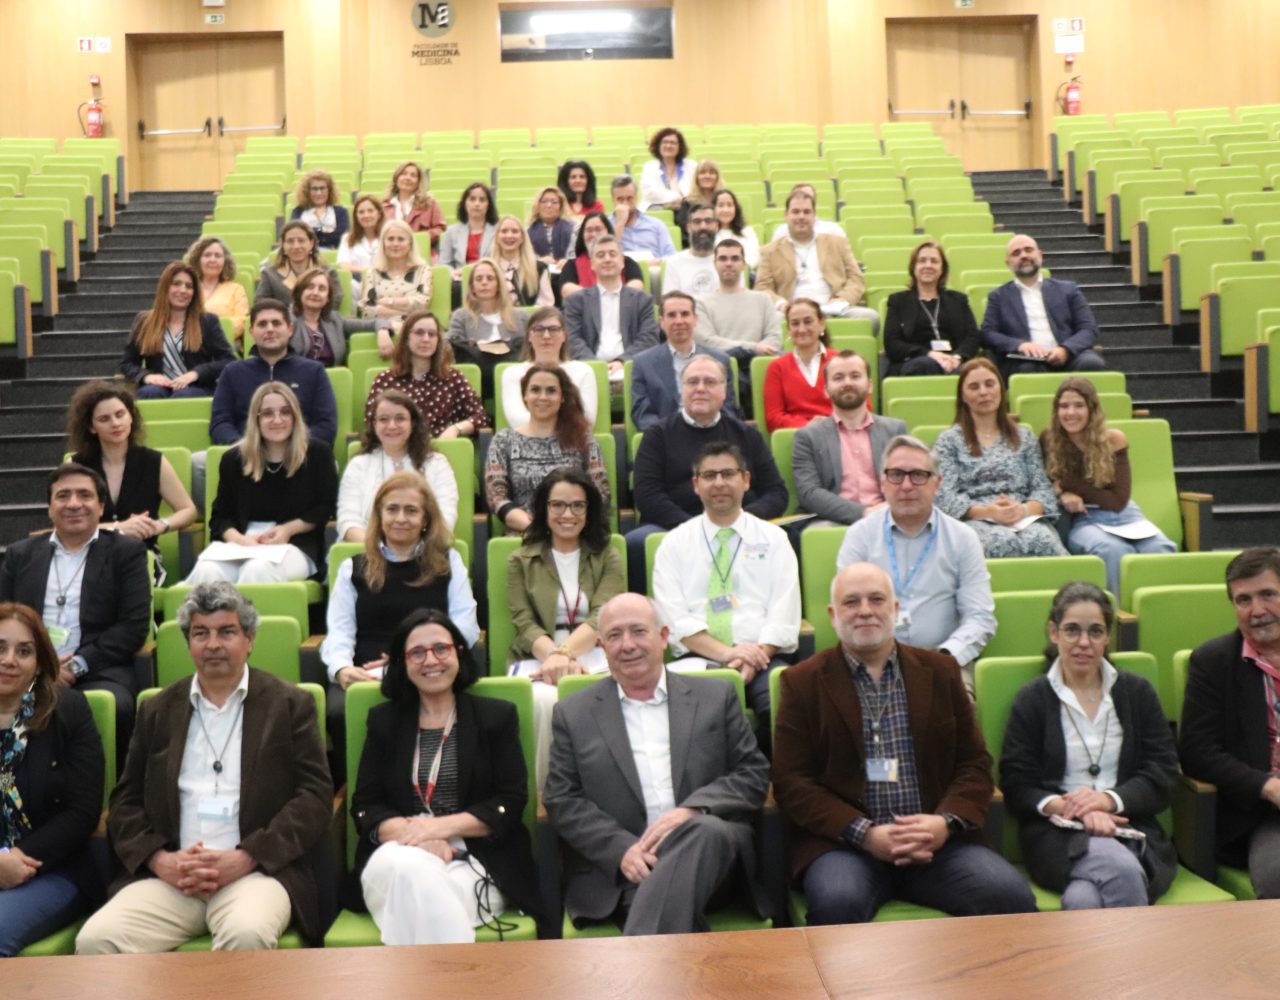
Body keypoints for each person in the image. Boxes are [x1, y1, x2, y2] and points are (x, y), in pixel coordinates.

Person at [772, 562, 1037, 924]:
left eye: (877, 599)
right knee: (837, 902)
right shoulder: (802, 682)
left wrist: (944, 823)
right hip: (846, 846)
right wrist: (865, 834)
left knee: (1009, 895)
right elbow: (792, 782)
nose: (865, 610)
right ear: (833, 615)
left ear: (895, 609)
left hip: (937, 845)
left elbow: (974, 764)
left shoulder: (940, 672)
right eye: (851, 602)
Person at [75, 582, 332, 953]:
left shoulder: (289, 704)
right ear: (188, 643)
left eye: (226, 632)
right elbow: (126, 803)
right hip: (172, 877)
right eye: (201, 634)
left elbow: (314, 798)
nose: (213, 644)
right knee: (96, 940)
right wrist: (159, 860)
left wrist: (247, 856)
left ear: (249, 639)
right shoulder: (157, 709)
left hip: (256, 873)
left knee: (247, 934)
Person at [544, 593, 770, 935]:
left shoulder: (715, 697)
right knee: (662, 902)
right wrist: (622, 850)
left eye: (638, 631)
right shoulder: (574, 714)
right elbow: (563, 799)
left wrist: (693, 811)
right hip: (627, 870)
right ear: (602, 647)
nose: (627, 645)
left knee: (705, 831)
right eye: (615, 636)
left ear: (663, 636)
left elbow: (752, 775)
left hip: (714, 863)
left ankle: (639, 959)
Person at [350, 608, 545, 944]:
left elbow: (510, 802)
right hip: (397, 852)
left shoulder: (495, 717)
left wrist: (437, 828)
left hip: (478, 859)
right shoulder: (384, 722)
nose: (431, 660)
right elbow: (366, 806)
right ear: (402, 663)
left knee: (418, 895)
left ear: (459, 652)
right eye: (417, 652)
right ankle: (461, 975)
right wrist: (418, 837)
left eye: (441, 648)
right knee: (412, 870)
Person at [1001, 583, 1179, 908]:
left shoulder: (1136, 692)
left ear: (1108, 637)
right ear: (1053, 633)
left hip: (1131, 824)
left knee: (1083, 899)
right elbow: (1017, 783)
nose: (1084, 642)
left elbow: (1162, 773)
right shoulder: (1033, 699)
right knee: (1122, 870)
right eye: (1072, 630)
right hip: (1057, 834)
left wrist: (1107, 801)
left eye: (1095, 631)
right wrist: (1074, 809)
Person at [322, 473, 478, 779]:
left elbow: (466, 627)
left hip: (434, 663)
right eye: (392, 509)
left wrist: (406, 660)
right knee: (338, 711)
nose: (401, 518)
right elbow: (339, 630)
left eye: (411, 510)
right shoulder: (353, 567)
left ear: (425, 519)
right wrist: (341, 669)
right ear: (379, 516)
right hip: (366, 672)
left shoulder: (448, 562)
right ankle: (357, 790)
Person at [0, 463, 150, 761]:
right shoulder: (21, 554)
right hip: (23, 665)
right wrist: (39, 666)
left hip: (97, 669)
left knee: (119, 706)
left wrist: (76, 665)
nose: (73, 504)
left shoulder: (126, 552)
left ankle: (113, 788)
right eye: (63, 495)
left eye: (84, 495)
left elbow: (133, 626)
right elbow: (4, 617)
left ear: (101, 506)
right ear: (49, 507)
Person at [651, 442, 801, 737]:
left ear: (745, 480)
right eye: (709, 475)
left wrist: (754, 657)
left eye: (728, 474)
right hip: (698, 658)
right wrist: (727, 654)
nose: (719, 483)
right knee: (694, 722)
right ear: (696, 485)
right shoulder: (674, 544)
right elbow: (675, 619)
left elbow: (784, 612)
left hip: (763, 658)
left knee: (783, 709)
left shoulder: (774, 539)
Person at [835, 435, 997, 693]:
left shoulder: (963, 538)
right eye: (896, 475)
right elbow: (849, 611)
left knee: (958, 705)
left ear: (937, 483)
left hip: (943, 659)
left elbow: (980, 617)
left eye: (918, 475)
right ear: (883, 482)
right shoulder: (860, 536)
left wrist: (944, 657)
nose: (907, 485)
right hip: (872, 659)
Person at [629, 355, 789, 591]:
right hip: (675, 525)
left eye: (710, 382)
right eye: (693, 382)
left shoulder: (747, 435)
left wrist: (740, 521)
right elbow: (647, 496)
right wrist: (697, 528)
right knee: (636, 542)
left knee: (787, 537)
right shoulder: (657, 436)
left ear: (724, 391)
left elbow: (776, 493)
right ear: (682, 390)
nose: (700, 388)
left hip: (740, 524)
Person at [506, 470, 624, 787]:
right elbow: (524, 622)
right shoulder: (520, 559)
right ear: (544, 509)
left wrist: (564, 654)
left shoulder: (608, 556)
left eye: (577, 506)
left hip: (595, 656)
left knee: (604, 697)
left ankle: (603, 790)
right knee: (543, 702)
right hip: (538, 658)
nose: (567, 514)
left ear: (589, 510)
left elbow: (602, 616)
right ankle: (549, 795)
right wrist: (556, 657)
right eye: (557, 505)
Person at [0, 604, 105, 958]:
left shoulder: (68, 711)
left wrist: (17, 857)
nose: (9, 660)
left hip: (53, 869)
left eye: (23, 651)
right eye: (0, 648)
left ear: (41, 661)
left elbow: (82, 811)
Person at [1179, 547, 1280, 898]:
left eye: (1268, 594)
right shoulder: (1213, 662)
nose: (1257, 610)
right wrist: (1267, 786)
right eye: (1244, 600)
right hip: (1261, 813)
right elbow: (1197, 752)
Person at [187, 382, 336, 586]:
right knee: (207, 570)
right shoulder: (234, 459)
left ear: (295, 416)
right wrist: (241, 541)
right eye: (267, 414)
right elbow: (221, 518)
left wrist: (287, 530)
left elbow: (325, 508)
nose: (277, 420)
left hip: (294, 545)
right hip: (241, 544)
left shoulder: (318, 454)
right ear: (255, 419)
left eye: (285, 412)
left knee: (257, 569)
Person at [1041, 377, 1176, 594]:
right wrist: (1061, 494)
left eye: (1079, 405)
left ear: (1092, 409)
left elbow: (1117, 500)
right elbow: (1043, 486)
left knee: (1160, 548)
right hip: (1084, 519)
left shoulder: (1114, 439)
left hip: (1126, 515)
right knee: (1113, 550)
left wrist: (1067, 485)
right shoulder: (1049, 440)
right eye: (1064, 406)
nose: (1070, 412)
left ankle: (1156, 610)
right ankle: (1118, 612)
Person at [66, 380, 198, 585]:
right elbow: (66, 525)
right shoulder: (75, 466)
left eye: (120, 414)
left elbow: (188, 510)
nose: (115, 423)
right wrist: (118, 528)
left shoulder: (154, 461)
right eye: (104, 419)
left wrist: (161, 525)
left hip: (141, 556)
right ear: (91, 427)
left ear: (131, 416)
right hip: (88, 555)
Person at [934, 358, 1066, 558]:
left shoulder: (1025, 437)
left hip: (1023, 517)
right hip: (974, 520)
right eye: (974, 387)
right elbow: (945, 496)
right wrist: (988, 512)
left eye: (990, 384)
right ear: (963, 397)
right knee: (999, 542)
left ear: (1001, 390)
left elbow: (1043, 490)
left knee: (1042, 539)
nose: (983, 392)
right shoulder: (949, 441)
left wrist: (1021, 510)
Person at [484, 364, 610, 534]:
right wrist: (539, 529)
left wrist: (567, 525)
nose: (543, 397)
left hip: (576, 530)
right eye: (535, 390)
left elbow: (601, 494)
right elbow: (497, 499)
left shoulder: (583, 439)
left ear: (562, 397)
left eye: (551, 391)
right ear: (525, 396)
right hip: (526, 532)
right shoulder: (503, 441)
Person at [792, 352, 907, 525]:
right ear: (826, 390)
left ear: (870, 386)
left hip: (887, 516)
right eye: (838, 378)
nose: (847, 383)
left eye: (855, 376)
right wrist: (864, 513)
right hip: (830, 520)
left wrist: (887, 508)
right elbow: (809, 493)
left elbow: (909, 479)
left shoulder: (895, 430)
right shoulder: (807, 437)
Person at [210, 298, 338, 448]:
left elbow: (326, 425)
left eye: (276, 323)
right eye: (262, 324)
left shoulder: (313, 371)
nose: (270, 329)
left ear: (290, 330)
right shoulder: (232, 372)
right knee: (198, 460)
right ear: (251, 332)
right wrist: (244, 448)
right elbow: (220, 423)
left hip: (301, 453)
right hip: (245, 453)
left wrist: (291, 448)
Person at [337, 388, 459, 540]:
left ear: (413, 423)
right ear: (374, 425)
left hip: (425, 549)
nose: (392, 426)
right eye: (383, 419)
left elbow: (445, 518)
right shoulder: (358, 465)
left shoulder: (437, 463)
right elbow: (348, 521)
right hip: (367, 549)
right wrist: (379, 550)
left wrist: (410, 549)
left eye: (400, 418)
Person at [982, 233, 1106, 379]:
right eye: (1016, 253)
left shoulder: (1068, 290)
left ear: (1040, 255)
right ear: (1008, 263)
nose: (1023, 255)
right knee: (1028, 369)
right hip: (1025, 359)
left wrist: (1065, 349)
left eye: (1028, 250)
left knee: (1092, 363)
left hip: (1069, 356)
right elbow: (988, 334)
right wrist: (1020, 345)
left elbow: (1089, 328)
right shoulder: (998, 296)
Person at [756, 189, 879, 330]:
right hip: (791, 311)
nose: (801, 216)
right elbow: (762, 287)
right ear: (786, 215)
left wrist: (842, 299)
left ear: (814, 216)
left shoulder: (837, 243)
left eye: (806, 212)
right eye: (795, 212)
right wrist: (781, 304)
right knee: (773, 322)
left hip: (833, 309)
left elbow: (856, 278)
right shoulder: (770, 251)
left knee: (871, 317)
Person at [365, 310, 488, 441]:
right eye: (419, 333)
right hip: (399, 448)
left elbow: (480, 417)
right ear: (406, 338)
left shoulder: (453, 378)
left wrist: (456, 429)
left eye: (432, 334)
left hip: (442, 448)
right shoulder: (385, 380)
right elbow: (372, 424)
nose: (426, 339)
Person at [119, 260, 235, 399]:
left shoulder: (208, 321)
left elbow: (228, 360)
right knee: (150, 393)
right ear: (165, 287)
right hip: (158, 387)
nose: (183, 290)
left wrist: (196, 373)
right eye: (176, 284)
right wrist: (147, 376)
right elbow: (127, 363)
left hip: (196, 387)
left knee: (183, 395)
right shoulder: (144, 321)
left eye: (189, 286)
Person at [630, 291, 737, 432]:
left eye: (685, 314)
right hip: (665, 437)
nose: (679, 321)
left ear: (695, 319)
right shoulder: (643, 363)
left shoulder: (720, 360)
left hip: (712, 435)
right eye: (671, 315)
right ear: (661, 322)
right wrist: (669, 434)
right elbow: (642, 415)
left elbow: (729, 410)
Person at [694, 239, 781, 404]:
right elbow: (707, 342)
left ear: (744, 264)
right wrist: (754, 348)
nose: (729, 263)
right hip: (722, 371)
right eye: (723, 259)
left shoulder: (763, 299)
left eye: (735, 259)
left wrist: (753, 353)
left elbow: (774, 339)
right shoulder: (701, 303)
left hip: (760, 371)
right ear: (715, 264)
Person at [564, 234, 661, 377]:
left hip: (631, 369)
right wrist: (597, 367)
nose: (607, 259)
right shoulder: (576, 301)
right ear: (592, 264)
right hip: (589, 371)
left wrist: (622, 362)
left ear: (622, 262)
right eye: (600, 255)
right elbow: (572, 339)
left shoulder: (642, 300)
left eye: (612, 254)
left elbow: (649, 338)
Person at [883, 241, 980, 377]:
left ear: (942, 268)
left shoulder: (958, 300)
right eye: (922, 261)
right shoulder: (898, 301)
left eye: (934, 261)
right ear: (913, 267)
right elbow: (892, 343)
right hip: (915, 362)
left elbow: (972, 337)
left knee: (975, 371)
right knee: (926, 364)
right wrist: (929, 354)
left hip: (954, 362)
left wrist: (957, 358)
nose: (928, 265)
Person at [500, 305, 598, 429]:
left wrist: (542, 422)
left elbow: (586, 420)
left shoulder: (584, 371)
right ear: (529, 336)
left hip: (570, 439)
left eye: (553, 329)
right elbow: (517, 420)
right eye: (539, 329)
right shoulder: (512, 373)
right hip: (527, 439)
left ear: (564, 335)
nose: (546, 335)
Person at [446, 258, 529, 396]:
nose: (484, 282)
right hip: (474, 386)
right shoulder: (460, 317)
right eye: (479, 279)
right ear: (472, 286)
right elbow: (453, 351)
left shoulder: (522, 317)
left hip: (516, 383)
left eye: (490, 278)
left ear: (499, 284)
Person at [763, 298, 838, 433]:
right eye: (795, 323)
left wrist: (830, 425)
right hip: (796, 437)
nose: (801, 329)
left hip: (839, 434)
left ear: (821, 324)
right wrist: (807, 426)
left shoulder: (842, 361)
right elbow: (773, 418)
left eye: (808, 322)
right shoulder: (777, 367)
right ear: (788, 329)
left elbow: (862, 408)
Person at [359, 218, 432, 351]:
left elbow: (422, 303)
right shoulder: (372, 272)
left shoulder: (422, 270)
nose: (395, 244)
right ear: (383, 243)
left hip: (414, 328)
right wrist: (402, 314)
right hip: (379, 330)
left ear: (410, 243)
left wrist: (388, 301)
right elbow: (366, 309)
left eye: (401, 239)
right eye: (390, 239)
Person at [289, 266, 382, 368]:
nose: (315, 293)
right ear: (299, 292)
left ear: (328, 298)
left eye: (322, 289)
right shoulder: (287, 320)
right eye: (310, 287)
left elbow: (375, 323)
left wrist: (382, 331)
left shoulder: (335, 320)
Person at [255, 220, 343, 312]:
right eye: (290, 241)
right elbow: (261, 304)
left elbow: (334, 302)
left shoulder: (328, 273)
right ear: (283, 245)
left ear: (311, 244)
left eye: (301, 240)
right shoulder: (270, 275)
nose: (296, 246)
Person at [557, 210, 646, 299]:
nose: (594, 234)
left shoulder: (626, 261)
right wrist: (602, 298)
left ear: (608, 231)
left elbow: (637, 286)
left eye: (598, 229)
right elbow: (567, 290)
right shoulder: (572, 265)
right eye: (589, 230)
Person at [661, 201, 732, 300]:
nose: (703, 227)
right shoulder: (674, 262)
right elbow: (670, 303)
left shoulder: (730, 260)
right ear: (688, 227)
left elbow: (736, 299)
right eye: (697, 222)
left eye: (708, 221)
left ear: (716, 226)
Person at [187, 236, 249, 340]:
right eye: (207, 255)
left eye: (218, 256)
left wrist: (213, 335)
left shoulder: (236, 289)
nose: (212, 259)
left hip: (225, 343)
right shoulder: (187, 288)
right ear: (198, 260)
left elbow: (241, 322)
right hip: (190, 342)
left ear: (225, 261)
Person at [380, 160, 446, 252]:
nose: (408, 178)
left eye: (413, 175)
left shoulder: (430, 203)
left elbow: (440, 229)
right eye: (404, 174)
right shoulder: (383, 205)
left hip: (420, 252)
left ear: (418, 181)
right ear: (396, 178)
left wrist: (416, 239)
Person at [489, 214, 554, 307]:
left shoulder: (538, 268)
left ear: (522, 238)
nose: (509, 235)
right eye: (504, 231)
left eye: (515, 231)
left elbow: (546, 304)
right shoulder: (488, 268)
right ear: (497, 237)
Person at [610, 175, 676, 261]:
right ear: (613, 200)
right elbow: (608, 256)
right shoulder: (605, 225)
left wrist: (657, 262)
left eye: (629, 198)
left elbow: (671, 256)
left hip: (652, 267)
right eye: (620, 199)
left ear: (636, 198)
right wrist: (620, 224)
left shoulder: (656, 225)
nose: (625, 203)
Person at [439, 182, 498, 277]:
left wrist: (470, 269)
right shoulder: (451, 232)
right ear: (465, 203)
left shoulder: (498, 231)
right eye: (472, 199)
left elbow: (499, 262)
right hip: (459, 279)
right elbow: (444, 264)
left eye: (482, 200)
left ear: (488, 205)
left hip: (489, 279)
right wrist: (454, 273)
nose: (477, 203)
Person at [337, 194, 385, 303]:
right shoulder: (347, 238)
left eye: (370, 211)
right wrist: (367, 272)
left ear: (379, 214)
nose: (366, 215)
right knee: (350, 286)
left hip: (384, 282)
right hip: (358, 283)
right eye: (361, 212)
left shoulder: (388, 236)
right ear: (356, 216)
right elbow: (343, 264)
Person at [289, 169, 350, 250]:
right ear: (307, 191)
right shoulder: (298, 211)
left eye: (322, 188)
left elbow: (340, 237)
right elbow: (296, 234)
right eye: (314, 189)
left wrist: (311, 232)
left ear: (329, 190)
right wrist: (324, 231)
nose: (319, 193)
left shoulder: (341, 212)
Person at [639, 127, 695, 212]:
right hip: (658, 206)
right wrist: (676, 198)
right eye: (665, 142)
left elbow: (696, 190)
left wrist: (684, 201)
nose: (668, 146)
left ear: (679, 147)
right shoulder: (650, 166)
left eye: (673, 143)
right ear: (658, 145)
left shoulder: (691, 165)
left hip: (686, 206)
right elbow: (649, 191)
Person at [527, 186, 576, 271]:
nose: (549, 205)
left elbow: (577, 254)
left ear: (560, 206)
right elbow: (524, 257)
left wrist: (568, 262)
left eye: (554, 202)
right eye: (544, 201)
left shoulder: (573, 228)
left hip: (567, 272)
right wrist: (539, 261)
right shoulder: (527, 231)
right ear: (537, 205)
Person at [712, 189, 761, 269]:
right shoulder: (708, 233)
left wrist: (740, 268)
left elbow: (754, 256)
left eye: (729, 205)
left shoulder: (747, 231)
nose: (726, 210)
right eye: (720, 205)